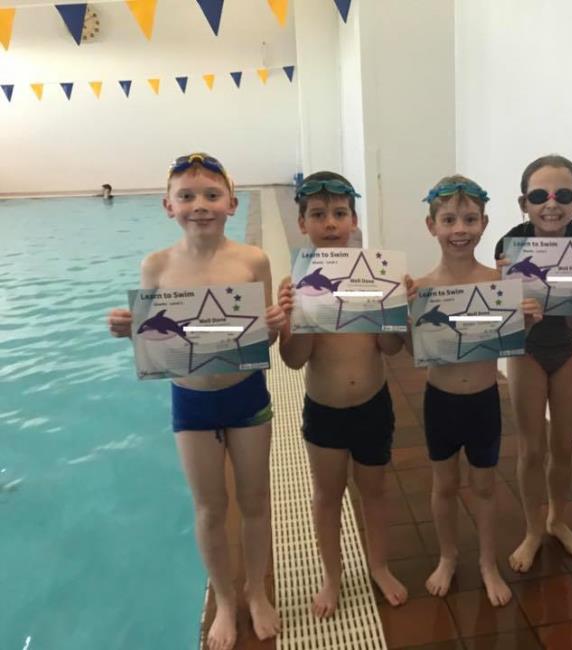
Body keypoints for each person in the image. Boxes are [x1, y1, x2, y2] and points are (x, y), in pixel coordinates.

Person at [106, 153, 288, 650]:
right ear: (168, 206)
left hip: (246, 394)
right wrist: (128, 331)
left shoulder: (252, 260)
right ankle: (225, 601)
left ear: (232, 203)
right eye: (186, 196)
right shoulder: (157, 265)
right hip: (190, 402)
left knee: (255, 502)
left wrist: (274, 326)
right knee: (209, 507)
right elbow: (154, 341)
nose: (200, 205)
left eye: (211, 195)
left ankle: (256, 592)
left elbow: (263, 339)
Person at [277, 171, 409, 618]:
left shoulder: (374, 275)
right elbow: (294, 360)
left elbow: (390, 348)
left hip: (373, 405)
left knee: (375, 491)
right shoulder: (297, 282)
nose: (330, 223)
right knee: (327, 495)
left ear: (354, 220)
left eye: (339, 213)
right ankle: (332, 576)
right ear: (303, 224)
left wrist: (392, 311)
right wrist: (294, 317)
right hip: (325, 410)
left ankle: (379, 565)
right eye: (318, 215)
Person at [407, 175, 541, 606]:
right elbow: (412, 350)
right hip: (440, 401)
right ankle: (448, 556)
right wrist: (404, 317)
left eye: (469, 219)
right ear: (431, 225)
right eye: (449, 220)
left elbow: (512, 339)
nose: (459, 229)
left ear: (484, 223)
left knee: (484, 487)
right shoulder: (421, 289)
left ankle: (487, 562)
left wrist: (528, 320)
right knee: (444, 485)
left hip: (484, 400)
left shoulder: (499, 282)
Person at [494, 154, 572, 571]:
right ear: (523, 203)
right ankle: (533, 529)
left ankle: (557, 519)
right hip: (527, 351)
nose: (551, 204)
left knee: (564, 446)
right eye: (539, 196)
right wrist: (507, 291)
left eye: (562, 195)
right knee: (531, 448)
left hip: (570, 348)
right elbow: (506, 318)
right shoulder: (509, 245)